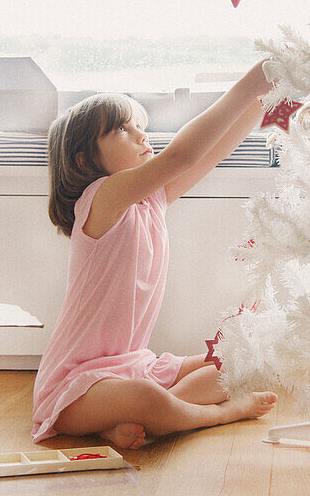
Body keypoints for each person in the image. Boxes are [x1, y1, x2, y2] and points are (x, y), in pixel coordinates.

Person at [32, 61, 277, 451]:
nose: (139, 134)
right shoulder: (99, 197)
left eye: (138, 125)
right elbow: (182, 156)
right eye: (121, 130)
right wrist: (251, 82)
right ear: (83, 160)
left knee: (241, 360)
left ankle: (139, 419)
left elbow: (208, 155)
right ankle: (216, 413)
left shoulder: (151, 200)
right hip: (74, 385)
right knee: (147, 399)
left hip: (133, 367)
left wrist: (265, 100)